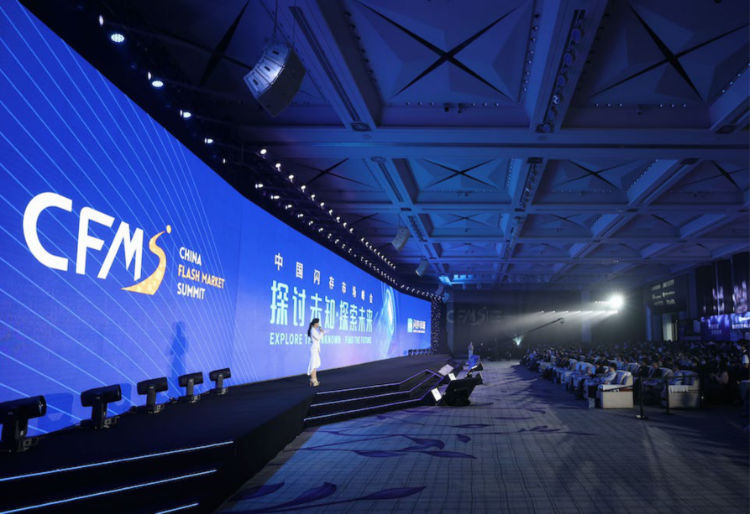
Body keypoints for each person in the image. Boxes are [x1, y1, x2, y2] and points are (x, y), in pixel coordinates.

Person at [307, 318, 324, 387]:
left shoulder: (314, 330)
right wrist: (322, 332)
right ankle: (313, 380)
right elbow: (318, 338)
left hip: (316, 349)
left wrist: (321, 332)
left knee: (315, 365)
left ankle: (314, 380)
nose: (318, 325)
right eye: (317, 323)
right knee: (313, 365)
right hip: (314, 349)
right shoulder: (313, 330)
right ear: (315, 324)